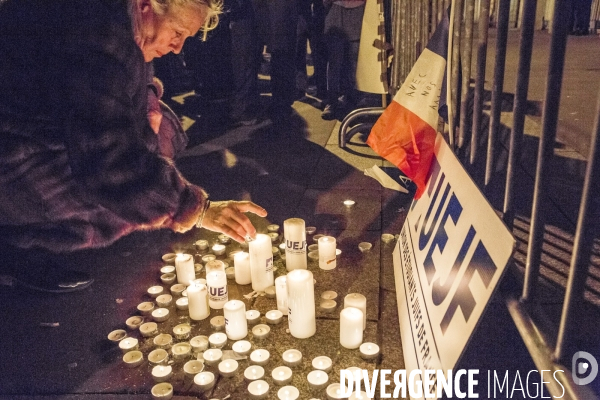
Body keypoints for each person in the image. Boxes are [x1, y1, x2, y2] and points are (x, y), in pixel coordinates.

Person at [0, 0, 267, 293]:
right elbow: (108, 162)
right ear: (145, 6)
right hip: (12, 155)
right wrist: (195, 209)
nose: (178, 48)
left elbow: (112, 93)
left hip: (38, 126)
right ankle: (16, 244)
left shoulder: (119, 21)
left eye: (185, 38)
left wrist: (146, 97)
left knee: (160, 132)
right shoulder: (99, 36)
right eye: (177, 32)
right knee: (116, 193)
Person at [321, 0, 365, 120]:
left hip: (358, 11)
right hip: (337, 12)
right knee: (335, 61)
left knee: (353, 61)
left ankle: (350, 99)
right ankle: (332, 101)